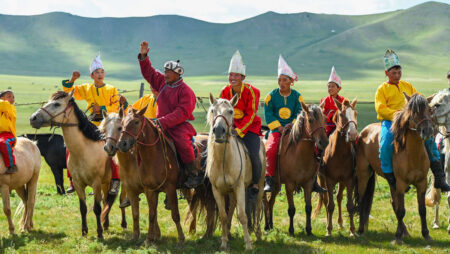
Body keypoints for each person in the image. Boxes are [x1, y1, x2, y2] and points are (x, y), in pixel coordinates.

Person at [375, 49, 450, 192]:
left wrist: (428, 105)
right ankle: (391, 177)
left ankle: (439, 177)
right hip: (391, 121)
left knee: (428, 139)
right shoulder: (382, 89)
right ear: (386, 73)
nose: (397, 75)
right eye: (393, 73)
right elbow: (380, 109)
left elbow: (419, 98)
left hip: (411, 121)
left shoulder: (407, 86)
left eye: (399, 72)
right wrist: (398, 114)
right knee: (385, 143)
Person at [138, 41, 203, 188]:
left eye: (169, 72)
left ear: (177, 74)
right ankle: (140, 174)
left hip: (178, 126)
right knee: (140, 139)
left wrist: (161, 122)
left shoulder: (186, 91)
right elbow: (149, 72)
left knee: (182, 143)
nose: (165, 74)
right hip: (160, 124)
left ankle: (193, 173)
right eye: (165, 71)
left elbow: (182, 113)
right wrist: (143, 56)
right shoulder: (162, 82)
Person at [263, 55, 325, 193]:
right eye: (279, 80)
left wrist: (291, 125)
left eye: (285, 80)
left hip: (294, 129)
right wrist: (278, 126)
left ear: (291, 81)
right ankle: (269, 179)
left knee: (313, 149)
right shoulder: (270, 96)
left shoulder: (298, 96)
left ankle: (313, 179)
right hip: (276, 129)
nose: (281, 82)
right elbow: (268, 113)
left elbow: (300, 112)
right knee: (271, 149)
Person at [62, 54, 122, 194]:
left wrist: (101, 109)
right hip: (91, 123)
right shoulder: (86, 88)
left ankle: (115, 180)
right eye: (97, 72)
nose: (100, 74)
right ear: (91, 75)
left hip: (108, 124)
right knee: (71, 145)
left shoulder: (112, 89)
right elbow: (68, 92)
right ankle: (72, 180)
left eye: (102, 72)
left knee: (113, 149)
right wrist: (73, 79)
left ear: (104, 74)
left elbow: (116, 106)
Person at [219, 50, 262, 201]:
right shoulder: (224, 91)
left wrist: (239, 130)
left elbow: (251, 114)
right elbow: (222, 111)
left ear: (243, 77)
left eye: (236, 75)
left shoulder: (252, 91)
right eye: (231, 75)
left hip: (248, 129)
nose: (233, 78)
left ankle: (255, 184)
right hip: (230, 127)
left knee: (255, 155)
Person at [320, 66, 345, 137]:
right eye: (329, 86)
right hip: (328, 126)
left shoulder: (343, 100)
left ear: (339, 88)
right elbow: (322, 115)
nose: (330, 88)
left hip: (341, 126)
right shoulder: (324, 100)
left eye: (333, 86)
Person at [0, 90, 17, 174]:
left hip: (7, 135)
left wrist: (2, 100)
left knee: (4, 143)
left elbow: (3, 105)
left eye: (13, 97)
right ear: (2, 98)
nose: (12, 99)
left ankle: (12, 165)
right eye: (9, 96)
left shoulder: (11, 108)